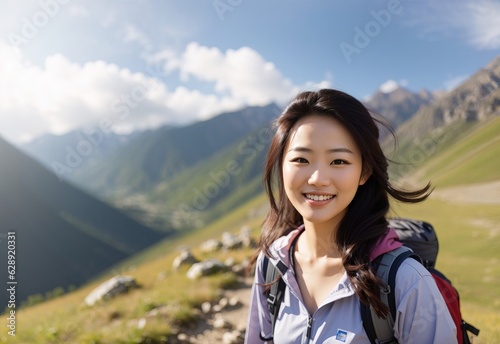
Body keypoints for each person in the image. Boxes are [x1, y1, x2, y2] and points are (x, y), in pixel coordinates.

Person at [245, 89, 457, 343]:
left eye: (339, 162)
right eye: (301, 159)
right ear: (281, 165)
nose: (317, 179)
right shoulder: (272, 264)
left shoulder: (406, 281)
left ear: (364, 171)